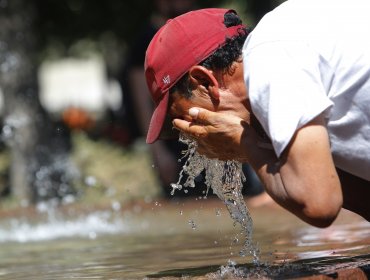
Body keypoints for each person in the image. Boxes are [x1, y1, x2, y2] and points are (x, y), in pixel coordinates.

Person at [143, 2, 370, 227]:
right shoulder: (287, 40)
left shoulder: (269, 59)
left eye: (188, 117)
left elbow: (321, 206)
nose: (195, 134)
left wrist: (248, 146)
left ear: (204, 82)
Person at [123, 0, 265, 198]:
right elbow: (140, 97)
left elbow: (313, 205)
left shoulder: (275, 88)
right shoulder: (144, 41)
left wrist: (249, 146)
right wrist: (157, 151)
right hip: (177, 146)